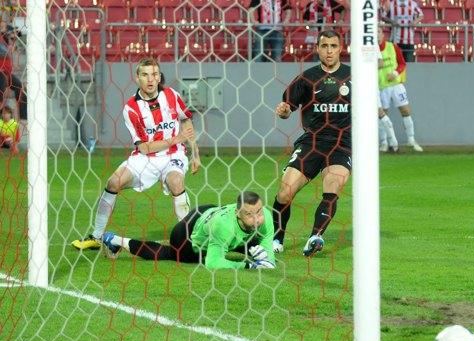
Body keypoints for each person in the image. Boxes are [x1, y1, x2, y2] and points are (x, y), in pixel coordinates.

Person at [71, 57, 201, 251]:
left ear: (159, 77)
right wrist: (177, 138)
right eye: (145, 75)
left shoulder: (172, 96)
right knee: (113, 182)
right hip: (146, 158)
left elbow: (186, 120)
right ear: (137, 78)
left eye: (154, 74)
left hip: (173, 156)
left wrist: (195, 154)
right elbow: (144, 148)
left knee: (176, 182)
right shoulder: (131, 108)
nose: (150, 79)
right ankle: (96, 237)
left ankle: (188, 240)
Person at [272, 30, 350, 257]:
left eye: (333, 46)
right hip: (312, 142)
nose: (329, 51)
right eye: (324, 46)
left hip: (342, 143)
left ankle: (315, 237)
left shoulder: (353, 77)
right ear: (317, 49)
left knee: (332, 186)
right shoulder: (306, 78)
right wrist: (284, 111)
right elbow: (287, 108)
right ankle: (276, 238)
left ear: (340, 48)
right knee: (285, 192)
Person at [102, 191, 276, 270]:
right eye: (249, 214)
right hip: (187, 234)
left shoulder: (266, 217)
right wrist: (249, 266)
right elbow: (213, 263)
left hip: (209, 212)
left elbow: (267, 247)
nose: (257, 219)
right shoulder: (224, 227)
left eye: (259, 212)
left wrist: (267, 261)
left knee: (253, 243)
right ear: (238, 213)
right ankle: (115, 240)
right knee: (170, 254)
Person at [377, 25, 423, 153]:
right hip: (381, 87)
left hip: (396, 85)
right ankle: (384, 143)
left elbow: (402, 63)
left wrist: (396, 73)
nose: (376, 34)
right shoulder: (370, 51)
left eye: (378, 31)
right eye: (374, 32)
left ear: (383, 34)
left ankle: (411, 140)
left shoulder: (392, 47)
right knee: (383, 115)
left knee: (405, 110)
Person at [0, 22, 26, 121]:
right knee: (1, 88)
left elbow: (18, 34)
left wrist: (14, 34)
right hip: (1, 72)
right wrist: (9, 49)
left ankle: (23, 116)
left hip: (7, 73)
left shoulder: (5, 40)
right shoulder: (2, 41)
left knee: (19, 86)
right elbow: (3, 51)